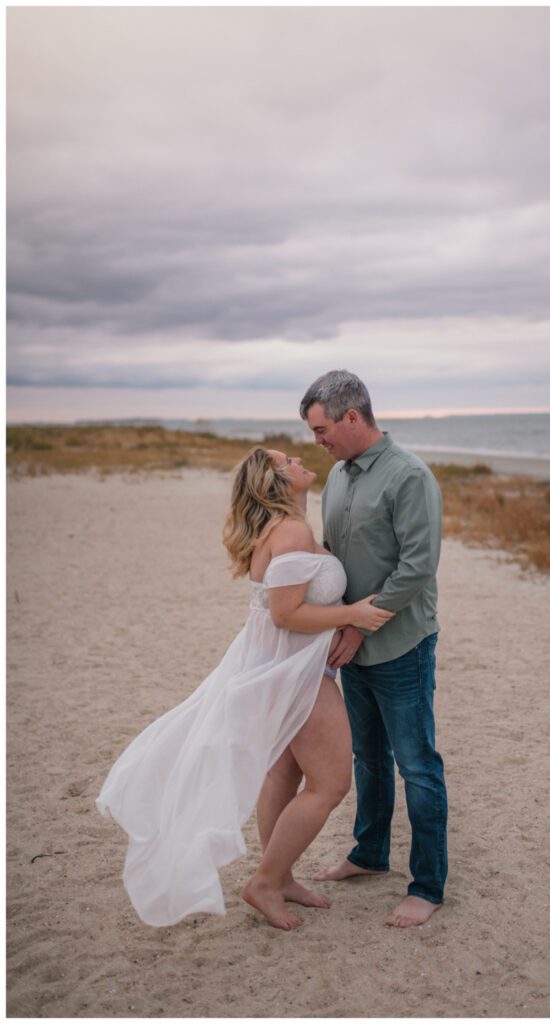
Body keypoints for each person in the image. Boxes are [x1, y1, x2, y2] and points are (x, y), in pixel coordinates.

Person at [96, 446, 393, 931]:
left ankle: (281, 877)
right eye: (287, 461)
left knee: (283, 777)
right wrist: (352, 615)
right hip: (293, 673)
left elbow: (280, 611)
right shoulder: (292, 531)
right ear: (274, 481)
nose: (298, 460)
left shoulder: (279, 530)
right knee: (331, 783)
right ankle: (266, 882)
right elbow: (285, 613)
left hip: (275, 665)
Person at [300, 370, 448, 928]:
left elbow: (417, 566)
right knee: (368, 757)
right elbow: (335, 554)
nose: (319, 442)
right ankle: (369, 854)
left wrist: (361, 625)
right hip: (349, 641)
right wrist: (332, 620)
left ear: (353, 417)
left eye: (322, 430)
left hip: (401, 643)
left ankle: (428, 886)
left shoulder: (409, 476)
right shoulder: (338, 475)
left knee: (418, 766)